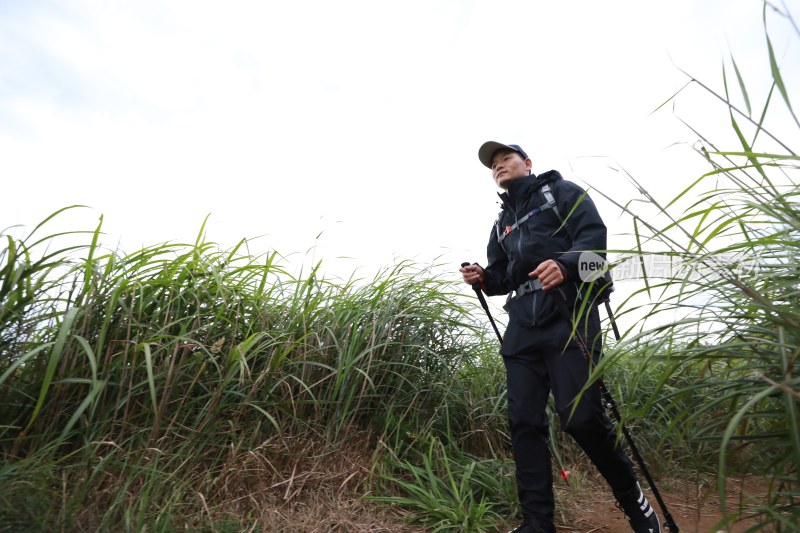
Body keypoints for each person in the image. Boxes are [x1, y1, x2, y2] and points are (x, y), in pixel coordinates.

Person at [459, 141, 661, 533]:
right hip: (522, 328)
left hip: (569, 317)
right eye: (494, 165)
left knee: (583, 419)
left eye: (505, 159)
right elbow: (503, 279)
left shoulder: (563, 194)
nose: (499, 167)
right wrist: (483, 277)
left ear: (527, 163)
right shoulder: (501, 225)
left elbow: (596, 251)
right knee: (524, 423)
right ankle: (537, 522)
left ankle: (636, 505)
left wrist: (565, 265)